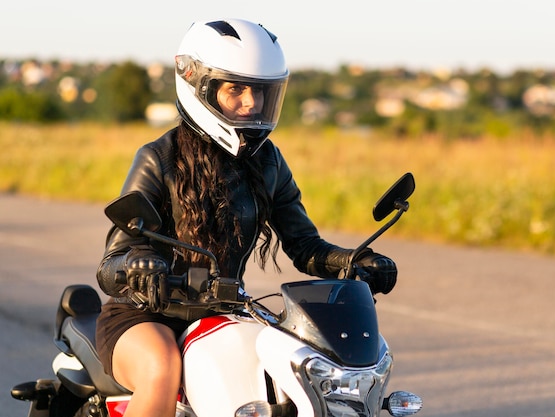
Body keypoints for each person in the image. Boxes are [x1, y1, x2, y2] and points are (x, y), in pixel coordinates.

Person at [95, 18, 397, 417]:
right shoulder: (159, 157)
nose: (251, 104)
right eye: (235, 89)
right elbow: (112, 262)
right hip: (145, 313)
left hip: (223, 313)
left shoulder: (267, 162)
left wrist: (352, 261)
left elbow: (304, 245)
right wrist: (138, 264)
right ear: (198, 84)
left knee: (283, 378)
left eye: (259, 91)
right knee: (161, 368)